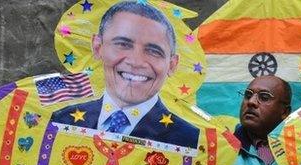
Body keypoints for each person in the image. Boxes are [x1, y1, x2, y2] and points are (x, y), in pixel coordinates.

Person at [50, 1, 199, 148]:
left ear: (172, 65)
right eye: (123, 44)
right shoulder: (60, 121)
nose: (136, 62)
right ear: (97, 47)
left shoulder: (189, 141)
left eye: (154, 51)